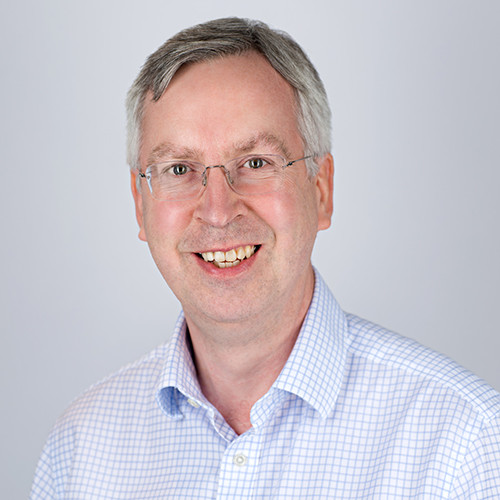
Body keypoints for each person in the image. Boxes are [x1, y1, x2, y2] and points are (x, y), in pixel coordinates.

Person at [31, 17, 500, 499]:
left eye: (256, 163)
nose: (217, 211)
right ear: (140, 204)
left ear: (321, 190)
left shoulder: (466, 446)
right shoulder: (80, 450)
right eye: (179, 169)